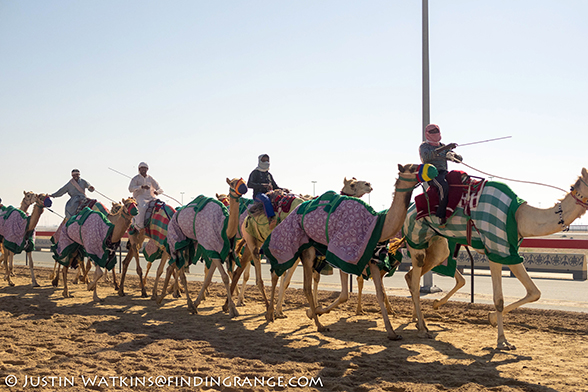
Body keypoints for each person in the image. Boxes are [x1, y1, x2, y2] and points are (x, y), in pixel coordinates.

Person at [419, 124, 462, 225]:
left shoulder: (443, 146)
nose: (435, 133)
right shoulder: (424, 146)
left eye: (436, 131)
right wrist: (444, 148)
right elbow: (426, 157)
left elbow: (457, 159)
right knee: (443, 186)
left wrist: (455, 155)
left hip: (444, 173)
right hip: (432, 174)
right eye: (432, 132)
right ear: (427, 134)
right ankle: (441, 215)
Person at [247, 154, 281, 228]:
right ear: (259, 161)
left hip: (270, 193)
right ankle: (270, 219)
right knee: (265, 199)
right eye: (264, 160)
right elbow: (249, 184)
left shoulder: (268, 174)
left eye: (267, 160)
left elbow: (275, 186)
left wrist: (283, 189)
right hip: (258, 195)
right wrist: (262, 185)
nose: (266, 162)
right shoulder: (255, 172)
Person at [128, 162, 164, 230]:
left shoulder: (150, 178)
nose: (143, 170)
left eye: (145, 168)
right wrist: (141, 187)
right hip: (140, 198)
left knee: (161, 206)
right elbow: (130, 189)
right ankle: (138, 227)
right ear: (139, 169)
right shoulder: (136, 178)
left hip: (151, 197)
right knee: (142, 208)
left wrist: (157, 192)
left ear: (147, 169)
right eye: (142, 168)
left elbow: (160, 189)